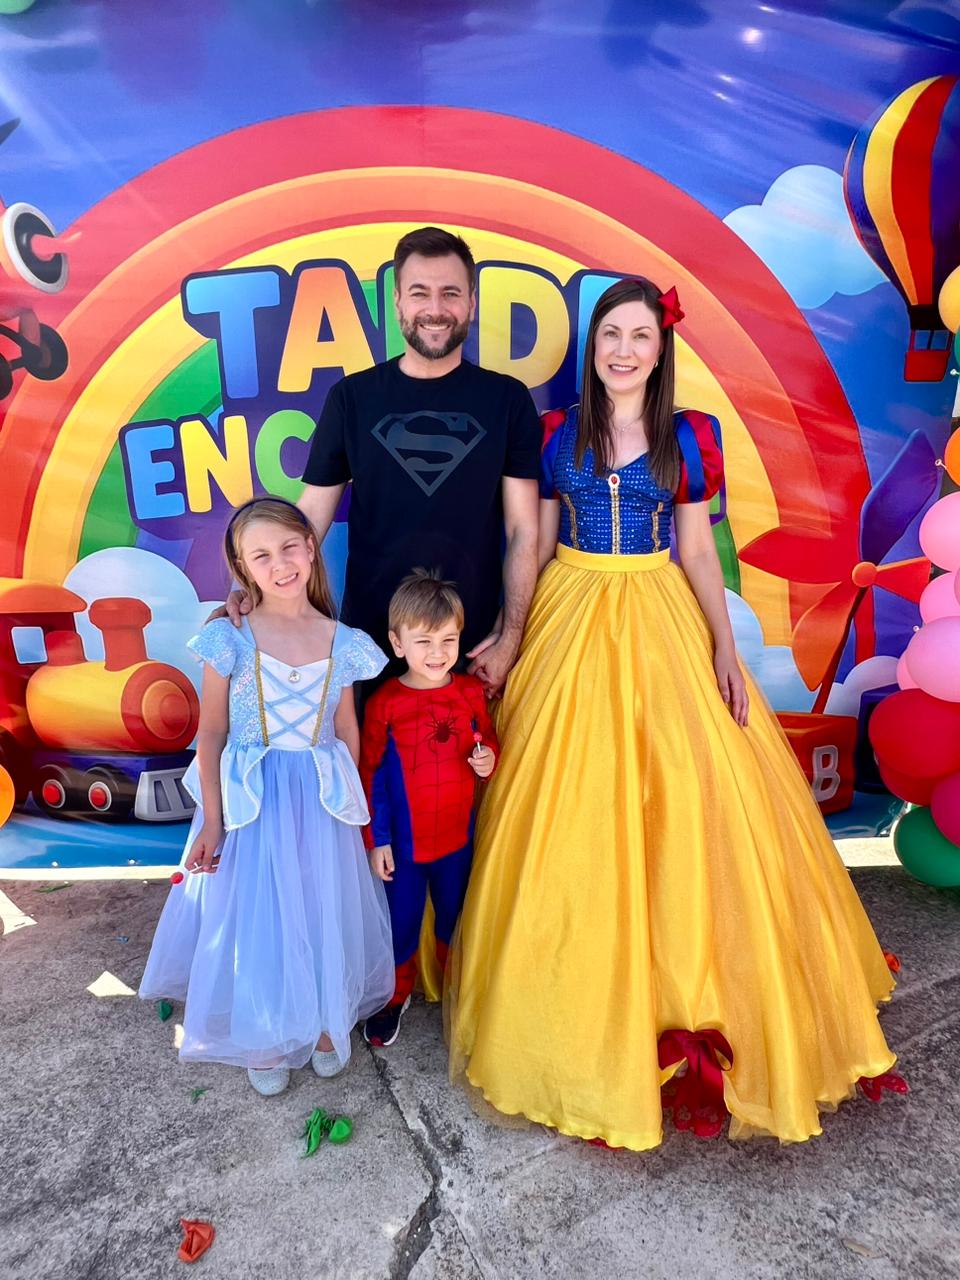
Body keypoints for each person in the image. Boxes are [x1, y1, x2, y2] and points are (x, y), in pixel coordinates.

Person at [445, 277, 904, 1149]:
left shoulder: (690, 435)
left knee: (692, 794)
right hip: (573, 610)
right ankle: (571, 1008)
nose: (624, 350)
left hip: (660, 610)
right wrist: (511, 636)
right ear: (593, 347)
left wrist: (725, 648)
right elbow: (532, 542)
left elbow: (696, 546)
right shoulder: (555, 431)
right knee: (569, 801)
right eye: (611, 335)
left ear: (661, 351)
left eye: (640, 337)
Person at [139, 497, 394, 1096]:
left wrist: (348, 807)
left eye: (289, 547)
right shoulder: (230, 637)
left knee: (319, 905)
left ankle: (324, 1017)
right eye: (261, 556)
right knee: (258, 913)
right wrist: (212, 821)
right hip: (251, 800)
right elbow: (211, 732)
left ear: (311, 547)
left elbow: (346, 727)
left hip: (319, 800)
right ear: (241, 567)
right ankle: (265, 1029)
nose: (280, 564)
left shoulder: (344, 641)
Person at [225, 226, 542, 697]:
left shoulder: (508, 401)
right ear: (397, 303)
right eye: (419, 293)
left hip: (466, 649)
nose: (435, 309)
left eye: (450, 293)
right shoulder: (352, 398)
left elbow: (523, 532)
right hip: (372, 648)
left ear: (472, 302)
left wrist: (509, 640)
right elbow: (309, 520)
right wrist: (254, 588)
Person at [359, 569, 498, 1047]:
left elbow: (488, 742)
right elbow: (371, 775)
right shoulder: (384, 704)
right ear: (398, 643)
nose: (437, 653)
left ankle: (457, 991)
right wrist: (377, 840)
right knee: (401, 923)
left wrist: (488, 760)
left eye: (448, 640)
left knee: (455, 919)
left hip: (457, 841)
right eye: (424, 641)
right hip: (405, 849)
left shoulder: (470, 693)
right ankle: (395, 996)